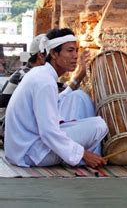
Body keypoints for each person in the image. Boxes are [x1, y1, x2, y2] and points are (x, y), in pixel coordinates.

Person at [4, 28, 108, 168]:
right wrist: (83, 154)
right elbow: (48, 132)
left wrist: (78, 78)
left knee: (77, 96)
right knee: (98, 126)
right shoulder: (45, 81)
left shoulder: (42, 74)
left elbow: (58, 101)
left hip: (24, 150)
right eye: (70, 51)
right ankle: (91, 159)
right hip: (31, 154)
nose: (75, 56)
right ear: (53, 53)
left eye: (76, 50)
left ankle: (85, 157)